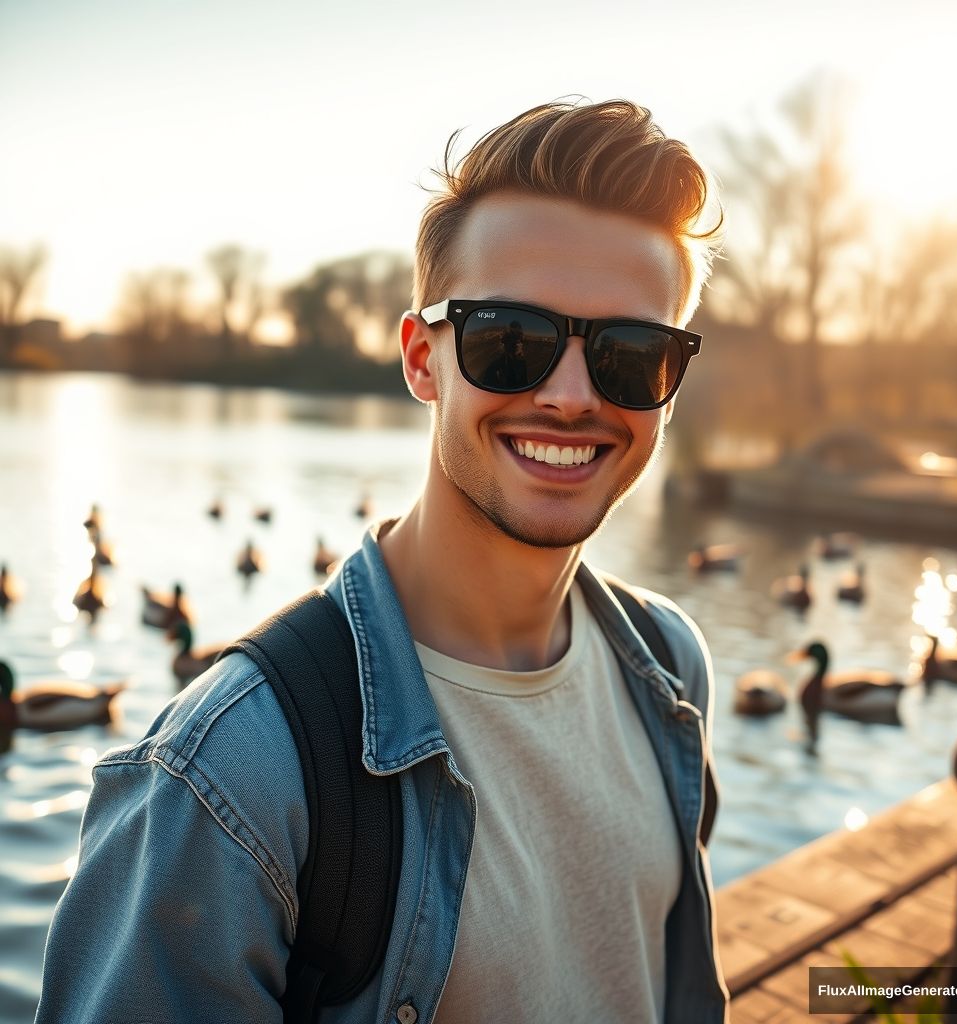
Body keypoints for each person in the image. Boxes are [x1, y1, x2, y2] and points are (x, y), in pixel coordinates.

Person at [35, 99, 728, 1023]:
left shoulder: (667, 668)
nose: (570, 397)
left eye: (632, 354)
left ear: (670, 389)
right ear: (420, 359)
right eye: (509, 340)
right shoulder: (231, 776)